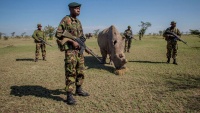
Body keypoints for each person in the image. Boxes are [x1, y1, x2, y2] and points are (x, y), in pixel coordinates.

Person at [55, 2, 89, 105]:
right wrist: (72, 41)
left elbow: (81, 36)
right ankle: (69, 95)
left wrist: (83, 45)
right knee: (71, 72)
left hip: (79, 51)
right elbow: (59, 34)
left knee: (80, 70)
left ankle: (78, 89)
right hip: (70, 51)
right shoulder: (66, 19)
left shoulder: (78, 22)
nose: (79, 10)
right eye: (76, 8)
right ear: (70, 9)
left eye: (79, 8)